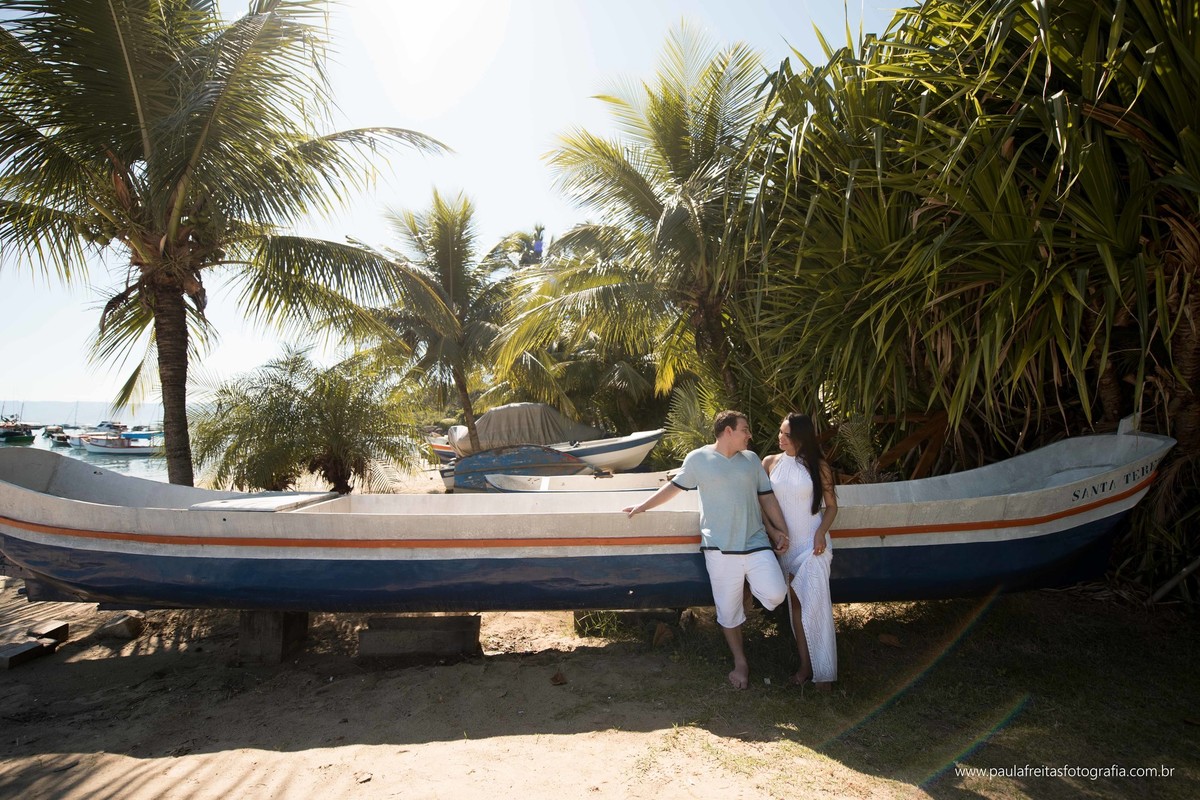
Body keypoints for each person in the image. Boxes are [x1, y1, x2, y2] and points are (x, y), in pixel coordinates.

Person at [623, 410, 789, 689]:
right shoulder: (698, 458)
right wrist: (642, 506)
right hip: (719, 548)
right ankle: (741, 663)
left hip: (756, 543)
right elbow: (673, 488)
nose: (750, 435)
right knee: (727, 612)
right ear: (728, 431)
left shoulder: (751, 461)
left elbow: (768, 498)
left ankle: (747, 591)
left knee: (776, 593)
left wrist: (782, 530)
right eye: (745, 429)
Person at [762, 413, 838, 690]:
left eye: (786, 434)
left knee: (816, 606)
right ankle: (806, 667)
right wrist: (773, 533)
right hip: (786, 547)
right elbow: (762, 504)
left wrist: (820, 533)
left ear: (800, 437)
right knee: (796, 607)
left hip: (813, 546)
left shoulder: (818, 466)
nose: (780, 438)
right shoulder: (769, 463)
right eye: (780, 432)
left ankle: (825, 675)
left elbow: (831, 506)